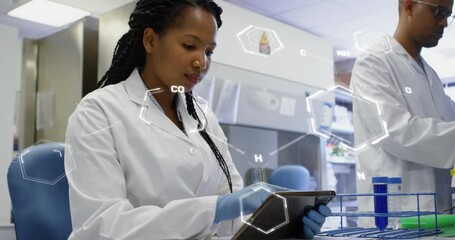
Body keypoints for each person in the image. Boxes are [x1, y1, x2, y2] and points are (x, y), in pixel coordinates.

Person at [64, 0, 330, 239]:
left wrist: (283, 225)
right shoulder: (99, 112)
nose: (201, 62)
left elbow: (232, 218)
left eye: (209, 51)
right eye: (189, 46)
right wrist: (215, 208)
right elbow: (100, 229)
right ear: (150, 41)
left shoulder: (202, 115)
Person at [351, 0, 455, 225]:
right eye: (439, 11)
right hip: (394, 221)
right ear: (408, 6)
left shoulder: (432, 76)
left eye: (449, 14)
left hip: (439, 219)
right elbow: (397, 132)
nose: (445, 22)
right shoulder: (373, 63)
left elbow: (448, 124)